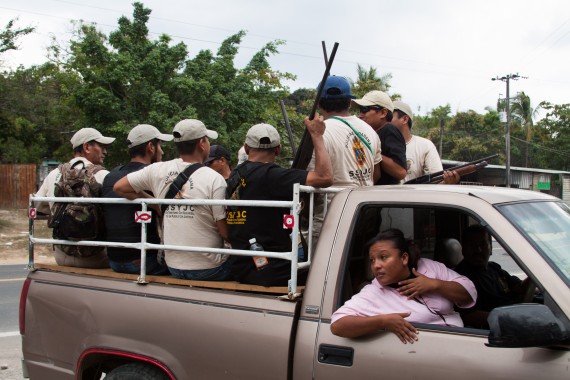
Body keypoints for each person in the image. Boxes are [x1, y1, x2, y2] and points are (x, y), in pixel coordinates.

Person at [113, 119, 232, 281]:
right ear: (202, 143)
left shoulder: (157, 170)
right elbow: (224, 233)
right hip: (209, 269)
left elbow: (119, 187)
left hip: (173, 266)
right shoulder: (215, 179)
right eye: (207, 140)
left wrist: (154, 202)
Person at [226, 120, 332, 286]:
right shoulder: (274, 176)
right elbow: (325, 177)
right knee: (326, 276)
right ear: (278, 149)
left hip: (242, 267)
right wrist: (317, 136)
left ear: (246, 148)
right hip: (272, 271)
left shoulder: (234, 175)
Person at [331, 228, 476, 343]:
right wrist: (383, 321)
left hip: (461, 341)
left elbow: (469, 294)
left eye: (383, 257)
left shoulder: (429, 267)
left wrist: (434, 285)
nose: (376, 265)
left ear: (404, 258)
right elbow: (338, 325)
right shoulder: (373, 292)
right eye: (372, 260)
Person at [35, 127, 115, 268]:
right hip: (96, 257)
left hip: (61, 255)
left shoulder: (54, 174)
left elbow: (37, 208)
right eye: (101, 146)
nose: (105, 151)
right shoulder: (103, 175)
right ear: (87, 147)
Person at [101, 124, 173, 275]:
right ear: (150, 147)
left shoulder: (110, 176)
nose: (162, 151)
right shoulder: (152, 175)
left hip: (114, 260)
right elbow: (166, 216)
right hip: (143, 261)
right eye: (160, 145)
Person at [454, 224, 531, 328]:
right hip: (497, 329)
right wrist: (511, 318)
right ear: (463, 250)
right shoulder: (460, 278)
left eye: (483, 244)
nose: (478, 250)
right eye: (472, 245)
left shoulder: (494, 268)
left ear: (490, 248)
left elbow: (518, 288)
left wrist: (534, 277)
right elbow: (469, 316)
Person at [391, 101, 459, 184]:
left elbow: (438, 181)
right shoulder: (378, 143)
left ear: (405, 119)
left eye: (389, 116)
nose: (385, 119)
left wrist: (448, 182)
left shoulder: (425, 145)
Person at [353, 91, 407, 185]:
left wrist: (373, 153)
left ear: (383, 113)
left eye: (365, 109)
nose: (360, 114)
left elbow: (401, 172)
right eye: (360, 110)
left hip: (385, 195)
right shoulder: (369, 133)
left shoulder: (389, 130)